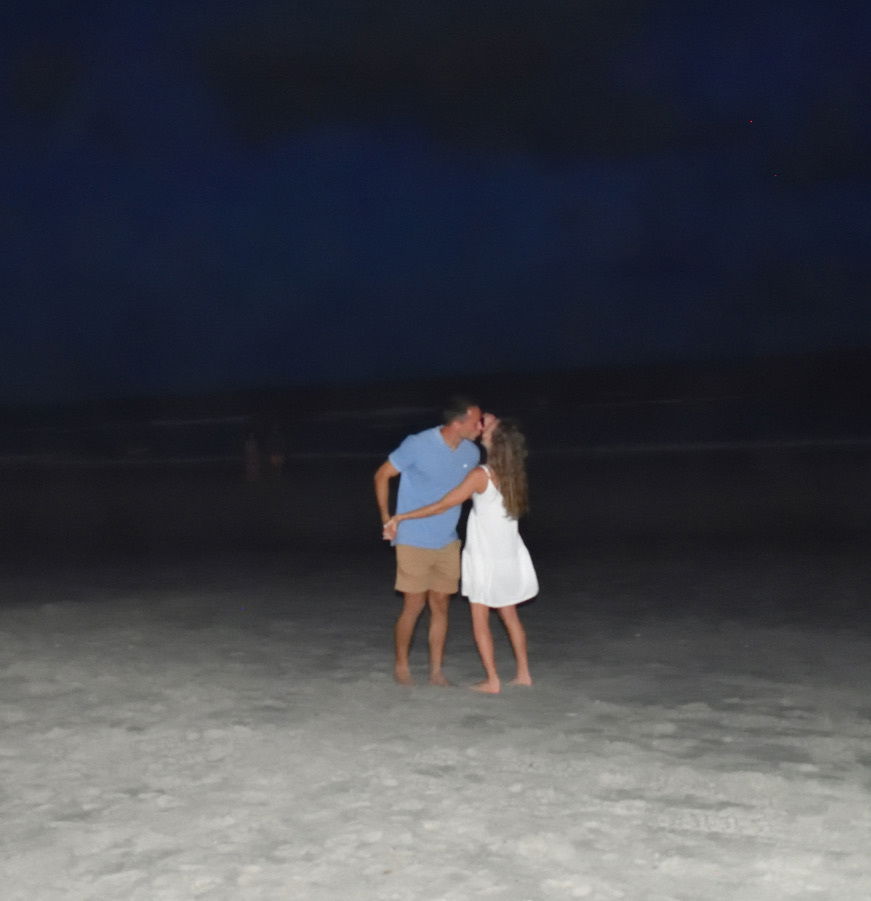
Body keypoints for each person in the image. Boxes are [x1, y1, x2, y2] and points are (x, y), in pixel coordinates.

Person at [383, 415, 537, 694]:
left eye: (487, 429)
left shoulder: (481, 475)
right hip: (510, 553)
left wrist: (402, 516)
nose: (482, 429)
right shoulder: (515, 474)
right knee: (510, 615)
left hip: (486, 556)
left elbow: (443, 504)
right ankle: (523, 673)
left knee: (480, 618)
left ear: (495, 442)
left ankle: (492, 680)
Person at [374, 397, 483, 686]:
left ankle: (436, 671)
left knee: (441, 605)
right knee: (413, 605)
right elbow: (382, 475)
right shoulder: (418, 444)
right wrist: (387, 519)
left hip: (448, 540)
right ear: (457, 423)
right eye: (476, 422)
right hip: (413, 537)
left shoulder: (472, 452)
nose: (480, 427)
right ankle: (402, 665)